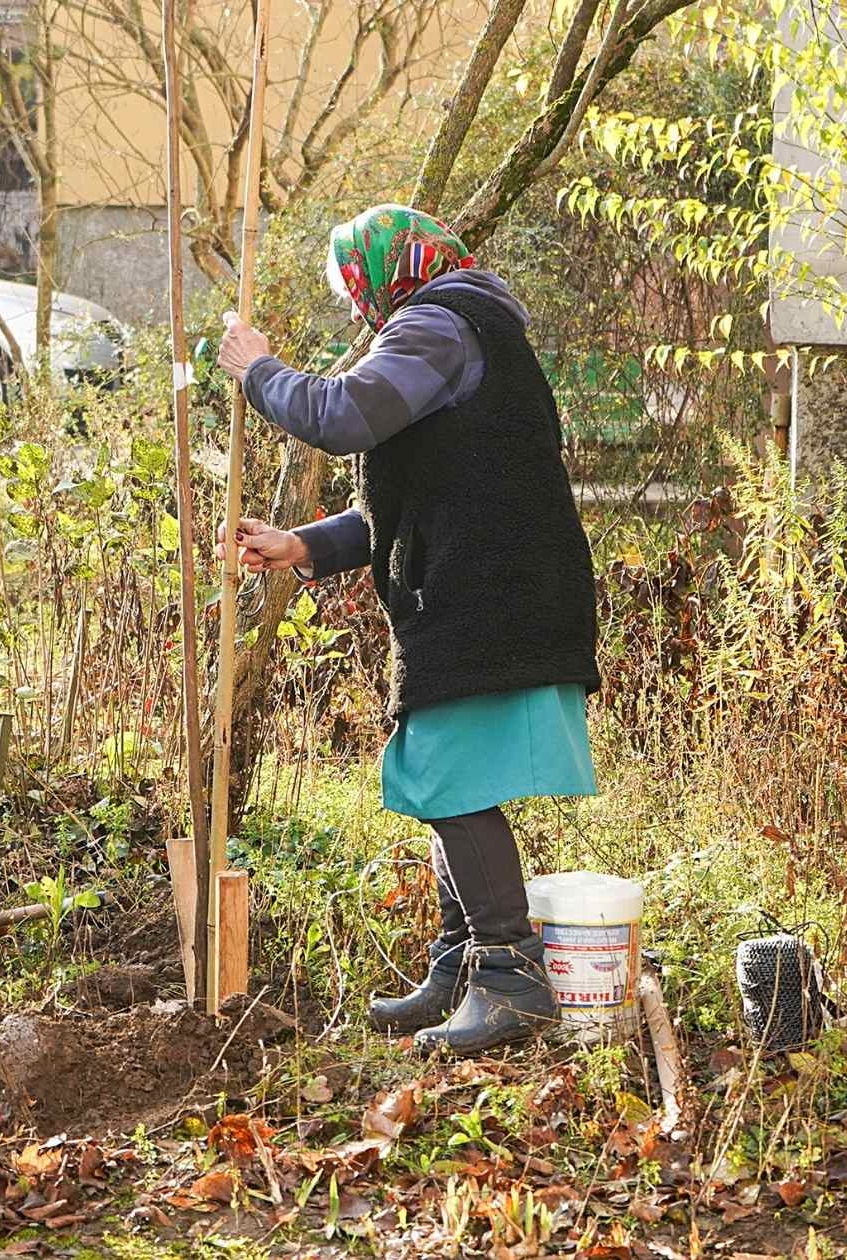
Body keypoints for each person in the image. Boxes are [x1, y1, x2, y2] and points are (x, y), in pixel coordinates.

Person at [216, 203, 599, 1054]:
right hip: (492, 590)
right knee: (448, 779)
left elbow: (340, 414)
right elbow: (414, 499)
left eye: (356, 290)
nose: (360, 309)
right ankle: (462, 960)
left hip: (485, 598)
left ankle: (510, 974)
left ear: (383, 274)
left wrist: (258, 369)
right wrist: (302, 544)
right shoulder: (464, 325)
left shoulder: (437, 324)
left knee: (449, 779)